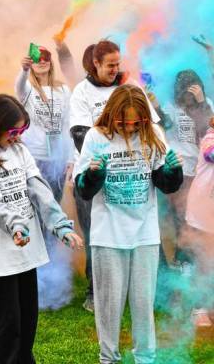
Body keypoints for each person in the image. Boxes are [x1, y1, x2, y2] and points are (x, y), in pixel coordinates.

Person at [0, 94, 83, 364]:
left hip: (28, 252)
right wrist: (17, 226)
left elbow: (40, 191)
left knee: (28, 320)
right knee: (10, 325)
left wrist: (60, 226)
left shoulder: (20, 151)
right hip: (2, 254)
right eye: (13, 131)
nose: (18, 137)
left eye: (22, 131)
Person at [74, 85, 183, 364]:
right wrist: (94, 175)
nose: (130, 128)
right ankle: (108, 358)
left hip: (144, 232)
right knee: (109, 306)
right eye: (124, 123)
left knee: (143, 304)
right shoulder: (96, 138)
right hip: (108, 234)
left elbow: (165, 184)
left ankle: (145, 358)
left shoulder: (153, 134)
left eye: (137, 123)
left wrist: (173, 171)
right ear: (112, 115)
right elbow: (82, 190)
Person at [68, 40, 160, 312]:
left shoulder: (130, 86)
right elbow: (80, 136)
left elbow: (153, 126)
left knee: (139, 231)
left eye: (118, 63)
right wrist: (114, 151)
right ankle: (96, 292)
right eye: (110, 65)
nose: (115, 69)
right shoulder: (81, 93)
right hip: (95, 177)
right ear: (95, 63)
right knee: (97, 234)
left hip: (134, 175)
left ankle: (137, 293)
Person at [17, 44, 75, 309]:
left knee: (53, 212)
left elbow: (69, 125)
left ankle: (51, 270)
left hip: (58, 159)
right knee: (36, 214)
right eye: (37, 59)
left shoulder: (63, 90)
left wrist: (71, 158)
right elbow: (18, 88)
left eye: (46, 59)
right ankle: (34, 272)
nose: (42, 62)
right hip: (36, 159)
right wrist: (23, 69)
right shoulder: (28, 89)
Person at [157, 70, 213, 270]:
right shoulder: (172, 106)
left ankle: (194, 260)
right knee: (179, 217)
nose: (188, 98)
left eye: (192, 93)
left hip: (200, 174)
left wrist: (200, 103)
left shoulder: (205, 103)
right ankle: (183, 261)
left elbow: (209, 130)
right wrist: (154, 104)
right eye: (185, 94)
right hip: (179, 169)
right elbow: (164, 123)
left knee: (196, 219)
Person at [185, 116, 214, 327]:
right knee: (204, 262)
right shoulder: (209, 139)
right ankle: (198, 309)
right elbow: (211, 154)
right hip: (203, 214)